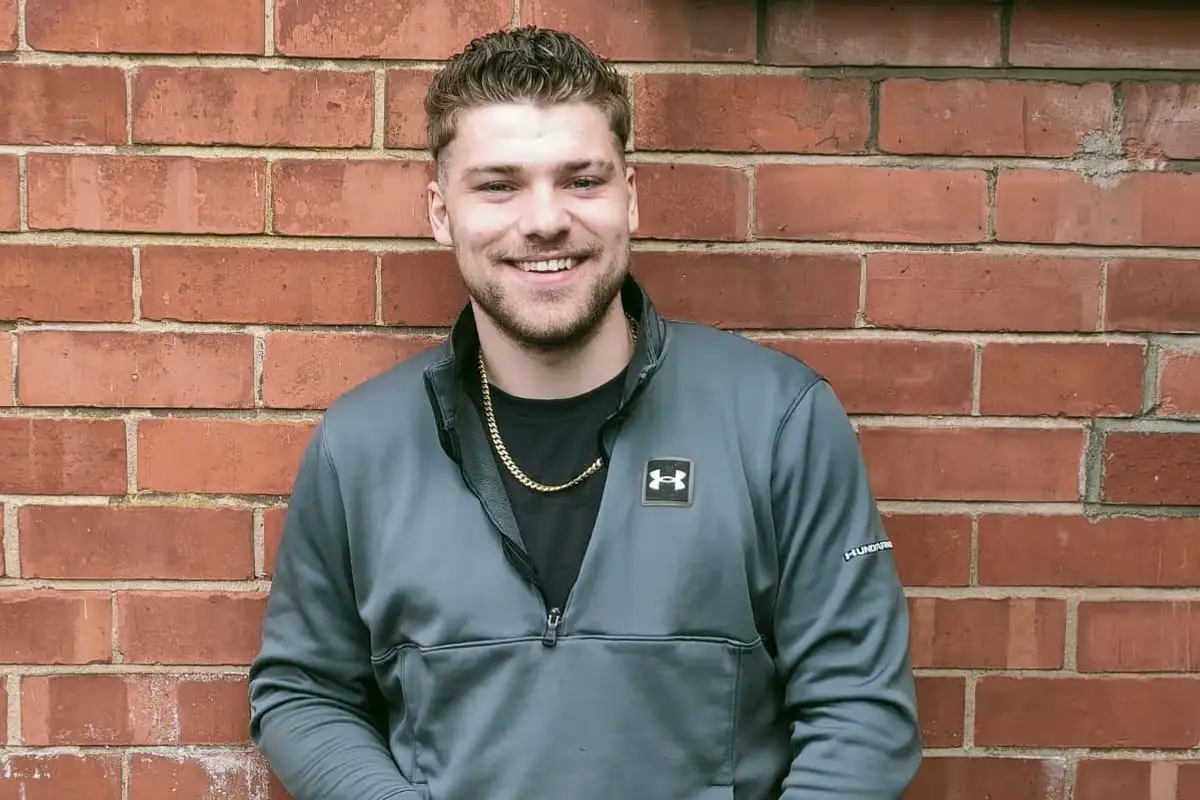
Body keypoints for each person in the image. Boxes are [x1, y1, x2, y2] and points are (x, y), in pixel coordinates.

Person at [248, 25, 921, 800]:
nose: (544, 220)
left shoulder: (777, 421)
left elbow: (861, 714)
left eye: (581, 180)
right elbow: (303, 693)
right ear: (440, 211)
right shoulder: (364, 446)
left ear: (629, 196)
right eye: (498, 186)